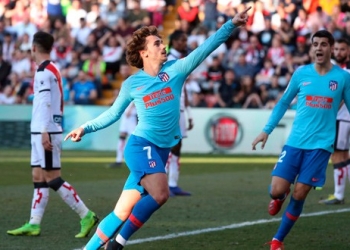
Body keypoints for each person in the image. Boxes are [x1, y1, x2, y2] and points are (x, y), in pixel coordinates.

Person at [64, 8, 250, 250]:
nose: (163, 46)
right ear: (144, 53)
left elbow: (206, 47)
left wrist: (231, 25)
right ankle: (117, 244)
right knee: (161, 194)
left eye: (162, 42)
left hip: (161, 151)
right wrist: (85, 128)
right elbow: (113, 114)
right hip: (141, 147)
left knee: (121, 211)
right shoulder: (132, 83)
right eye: (157, 43)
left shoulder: (176, 69)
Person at [252, 30, 350, 250]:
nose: (318, 48)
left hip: (321, 147)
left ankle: (278, 240)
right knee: (276, 190)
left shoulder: (343, 77)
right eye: (315, 44)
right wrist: (266, 130)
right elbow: (283, 102)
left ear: (331, 48)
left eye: (324, 44)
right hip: (295, 142)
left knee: (300, 193)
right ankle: (280, 195)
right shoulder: (301, 73)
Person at [7, 31, 99, 238]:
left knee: (52, 178)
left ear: (34, 47)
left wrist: (45, 130)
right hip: (42, 129)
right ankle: (34, 223)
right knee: (38, 177)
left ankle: (87, 215)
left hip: (45, 130)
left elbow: (46, 103)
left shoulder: (42, 72)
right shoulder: (53, 67)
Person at [319, 38, 350, 205]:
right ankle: (339, 194)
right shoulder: (332, 68)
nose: (338, 52)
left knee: (337, 155)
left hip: (340, 118)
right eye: (336, 49)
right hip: (342, 118)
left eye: (342, 49)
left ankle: (338, 195)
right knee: (344, 155)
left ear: (348, 51)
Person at [166, 29, 193, 196]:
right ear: (174, 42)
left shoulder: (181, 60)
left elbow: (184, 88)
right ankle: (162, 183)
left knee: (177, 146)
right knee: (170, 145)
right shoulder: (169, 60)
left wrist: (189, 113)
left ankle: (172, 183)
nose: (185, 43)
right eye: (182, 40)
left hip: (181, 108)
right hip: (172, 109)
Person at [109, 102, 138, 168]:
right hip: (125, 115)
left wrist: (130, 108)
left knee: (134, 139)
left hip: (132, 116)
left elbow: (135, 97)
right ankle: (118, 160)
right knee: (122, 137)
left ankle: (136, 160)